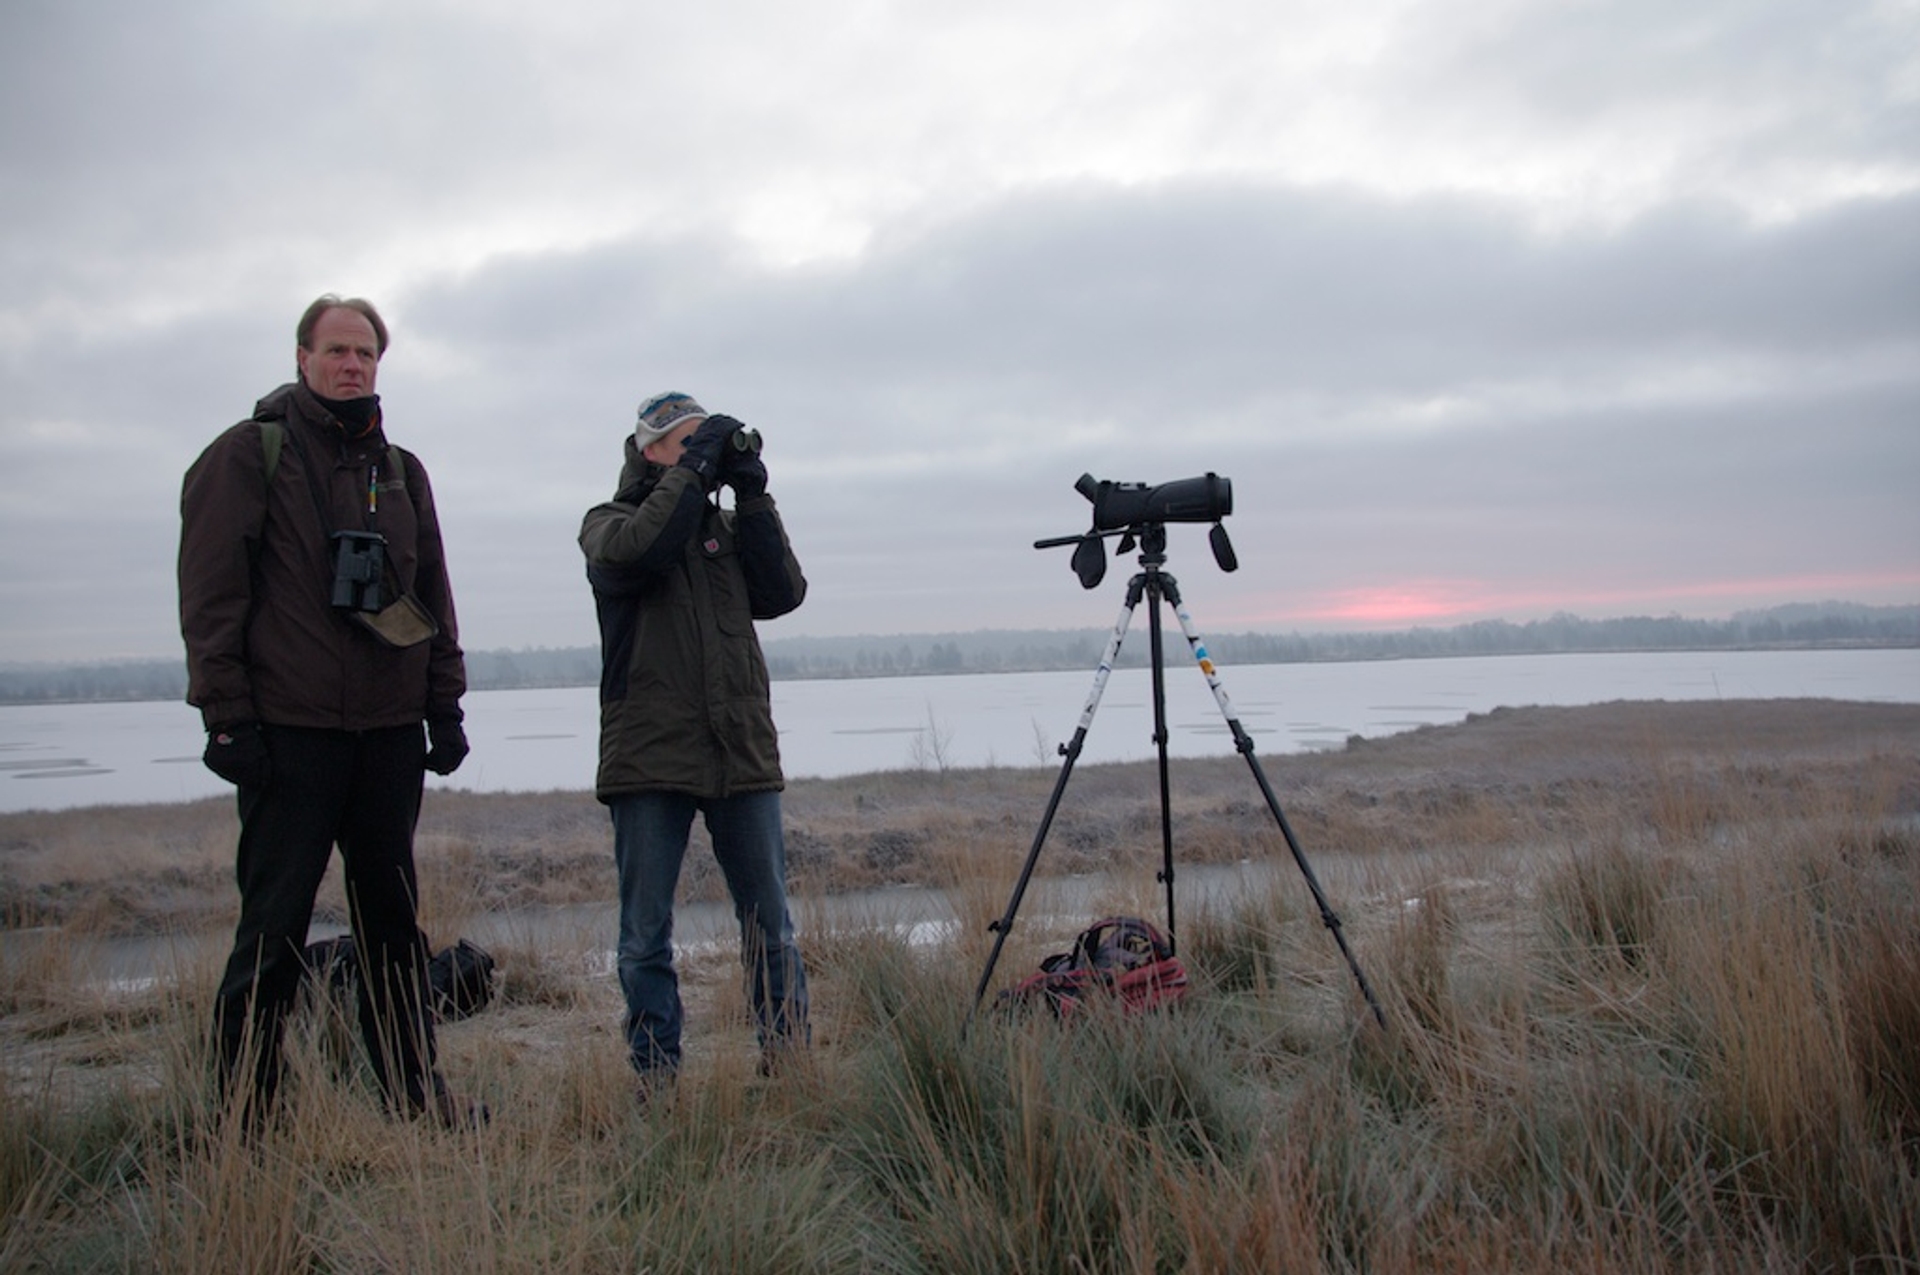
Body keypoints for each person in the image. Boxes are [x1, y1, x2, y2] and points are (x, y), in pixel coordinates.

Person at [178, 294, 478, 1127]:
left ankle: (417, 1099)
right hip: (289, 736)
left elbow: (433, 599)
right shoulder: (249, 457)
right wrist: (227, 716)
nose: (353, 365)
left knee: (393, 924)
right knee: (272, 929)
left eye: (367, 353)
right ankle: (246, 1118)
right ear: (303, 356)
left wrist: (443, 708)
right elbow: (210, 599)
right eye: (338, 350)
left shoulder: (401, 470)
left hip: (386, 736)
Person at [579, 391, 810, 1089]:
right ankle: (656, 1077)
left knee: (770, 922)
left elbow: (783, 591)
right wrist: (694, 470)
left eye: (701, 441)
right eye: (684, 442)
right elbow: (644, 549)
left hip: (738, 747)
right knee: (646, 932)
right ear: (647, 450)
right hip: (649, 755)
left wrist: (754, 497)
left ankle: (789, 1066)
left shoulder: (720, 533)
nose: (699, 453)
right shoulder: (607, 523)